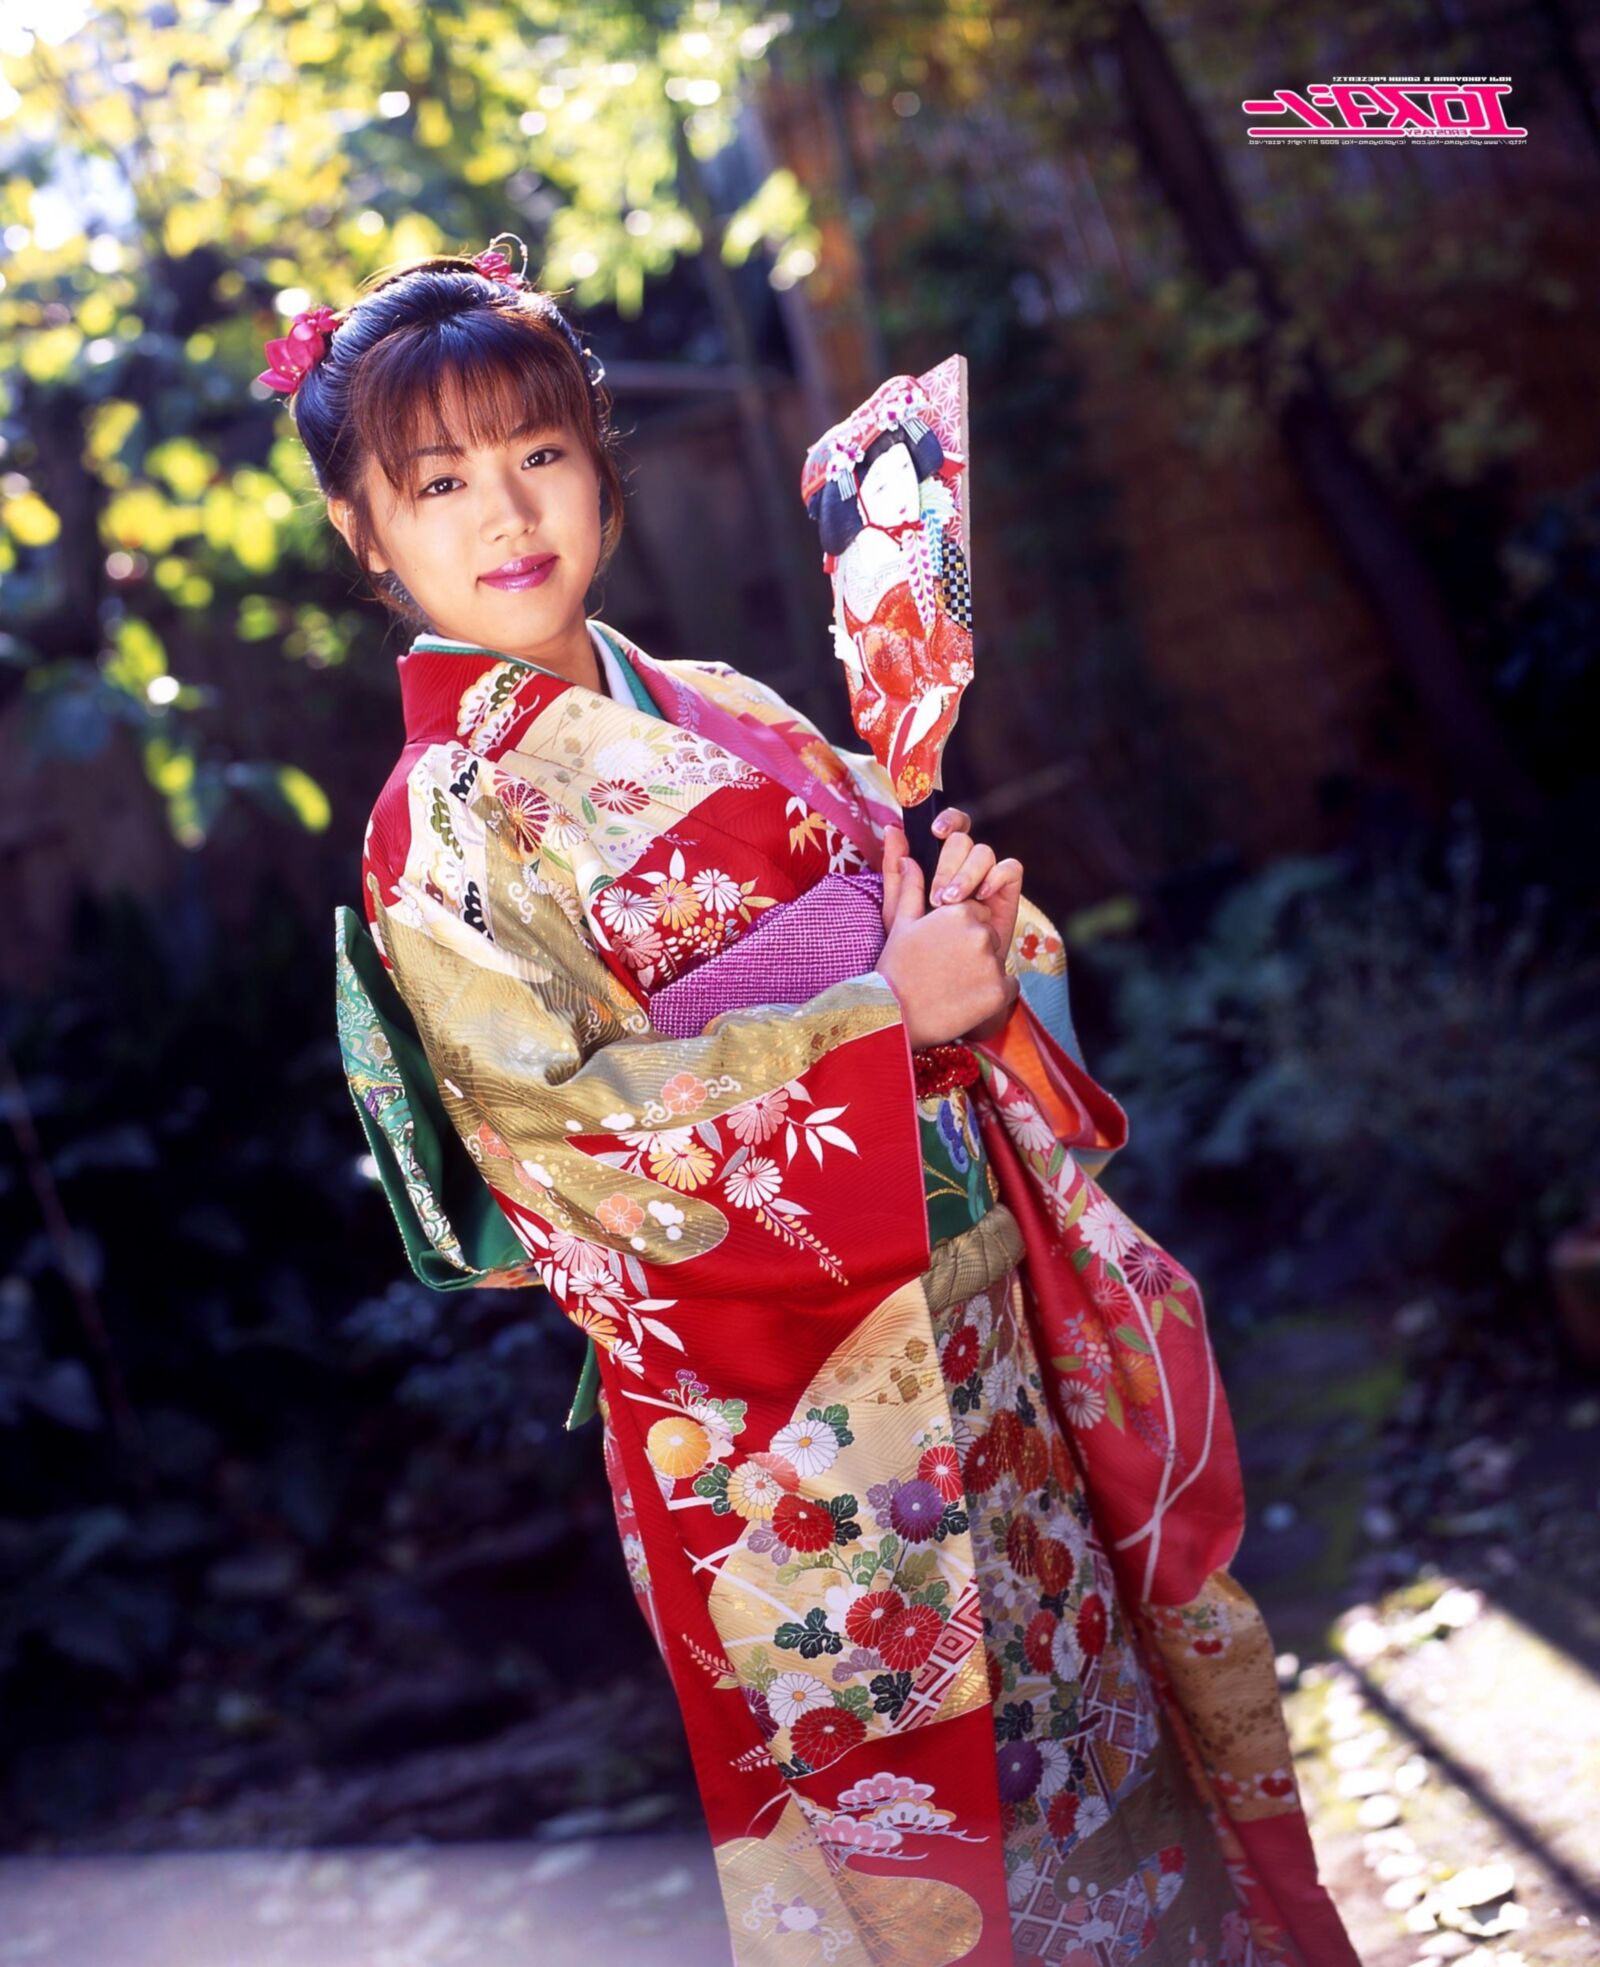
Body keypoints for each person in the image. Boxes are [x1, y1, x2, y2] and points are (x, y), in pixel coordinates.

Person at [278, 236, 1359, 1965]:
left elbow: (948, 966)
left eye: (541, 453)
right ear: (365, 531)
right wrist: (882, 1019)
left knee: (1110, 1778)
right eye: (442, 479)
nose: (508, 511)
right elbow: (569, 1155)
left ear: (602, 472)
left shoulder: (737, 712)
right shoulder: (447, 829)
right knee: (941, 1858)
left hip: (988, 1347)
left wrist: (979, 950)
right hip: (793, 1436)